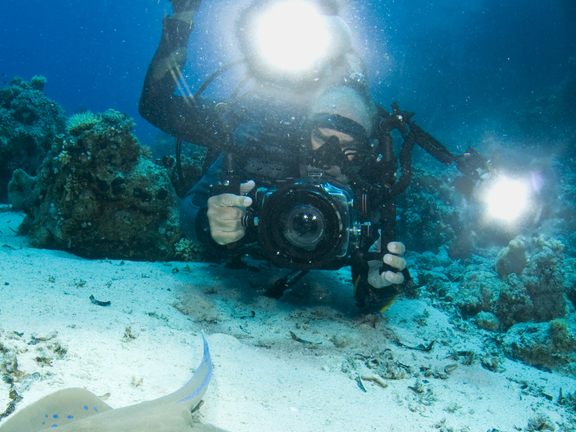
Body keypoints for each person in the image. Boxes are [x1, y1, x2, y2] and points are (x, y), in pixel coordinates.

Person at [140, 0, 408, 310]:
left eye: (350, 149)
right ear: (299, 130)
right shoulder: (261, 137)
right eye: (320, 136)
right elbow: (156, 108)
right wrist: (209, 223)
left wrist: (380, 286)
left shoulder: (372, 182)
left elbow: (372, 289)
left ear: (367, 151)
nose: (331, 157)